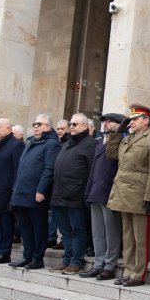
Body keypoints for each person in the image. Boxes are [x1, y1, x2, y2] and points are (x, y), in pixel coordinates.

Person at [105, 104, 150, 287]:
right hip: (123, 192)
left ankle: (139, 273)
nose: (131, 122)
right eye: (130, 119)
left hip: (139, 192)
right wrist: (116, 134)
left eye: (136, 119)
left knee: (140, 238)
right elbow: (111, 154)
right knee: (128, 237)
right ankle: (128, 270)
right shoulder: (128, 138)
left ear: (146, 121)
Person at [10, 115, 60, 270]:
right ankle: (27, 255)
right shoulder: (31, 142)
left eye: (40, 124)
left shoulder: (51, 144)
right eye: (34, 124)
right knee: (25, 226)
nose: (36, 126)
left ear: (49, 127)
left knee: (38, 226)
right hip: (22, 191)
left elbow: (49, 169)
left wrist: (41, 189)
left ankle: (37, 258)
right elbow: (22, 169)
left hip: (36, 193)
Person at [49, 113, 95, 274]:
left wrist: (86, 194)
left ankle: (76, 261)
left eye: (75, 124)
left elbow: (91, 171)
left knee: (78, 230)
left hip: (76, 196)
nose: (72, 127)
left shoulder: (89, 144)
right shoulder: (67, 143)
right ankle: (67, 259)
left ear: (85, 126)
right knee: (65, 231)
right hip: (59, 195)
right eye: (71, 124)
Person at [82, 112, 125, 280]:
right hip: (96, 192)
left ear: (120, 125)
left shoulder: (121, 142)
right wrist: (88, 191)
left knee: (111, 231)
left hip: (109, 192)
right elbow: (93, 170)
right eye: (105, 121)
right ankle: (98, 262)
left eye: (110, 122)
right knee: (98, 232)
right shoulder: (100, 143)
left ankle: (109, 264)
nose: (106, 124)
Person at [0, 118, 25, 264]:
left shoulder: (16, 145)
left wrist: (14, 192)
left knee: (5, 223)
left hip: (7, 191)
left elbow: (17, 171)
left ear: (8, 128)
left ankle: (4, 251)